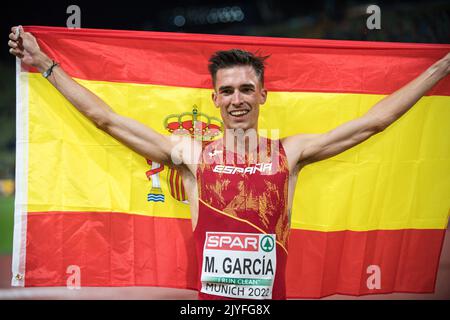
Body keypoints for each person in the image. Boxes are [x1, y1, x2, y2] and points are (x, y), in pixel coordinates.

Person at [8, 25, 450, 300]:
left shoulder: (289, 153)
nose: (236, 99)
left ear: (262, 95)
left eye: (245, 89)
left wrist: (441, 68)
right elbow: (105, 118)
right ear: (215, 99)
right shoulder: (191, 154)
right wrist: (45, 64)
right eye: (227, 91)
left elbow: (375, 122)